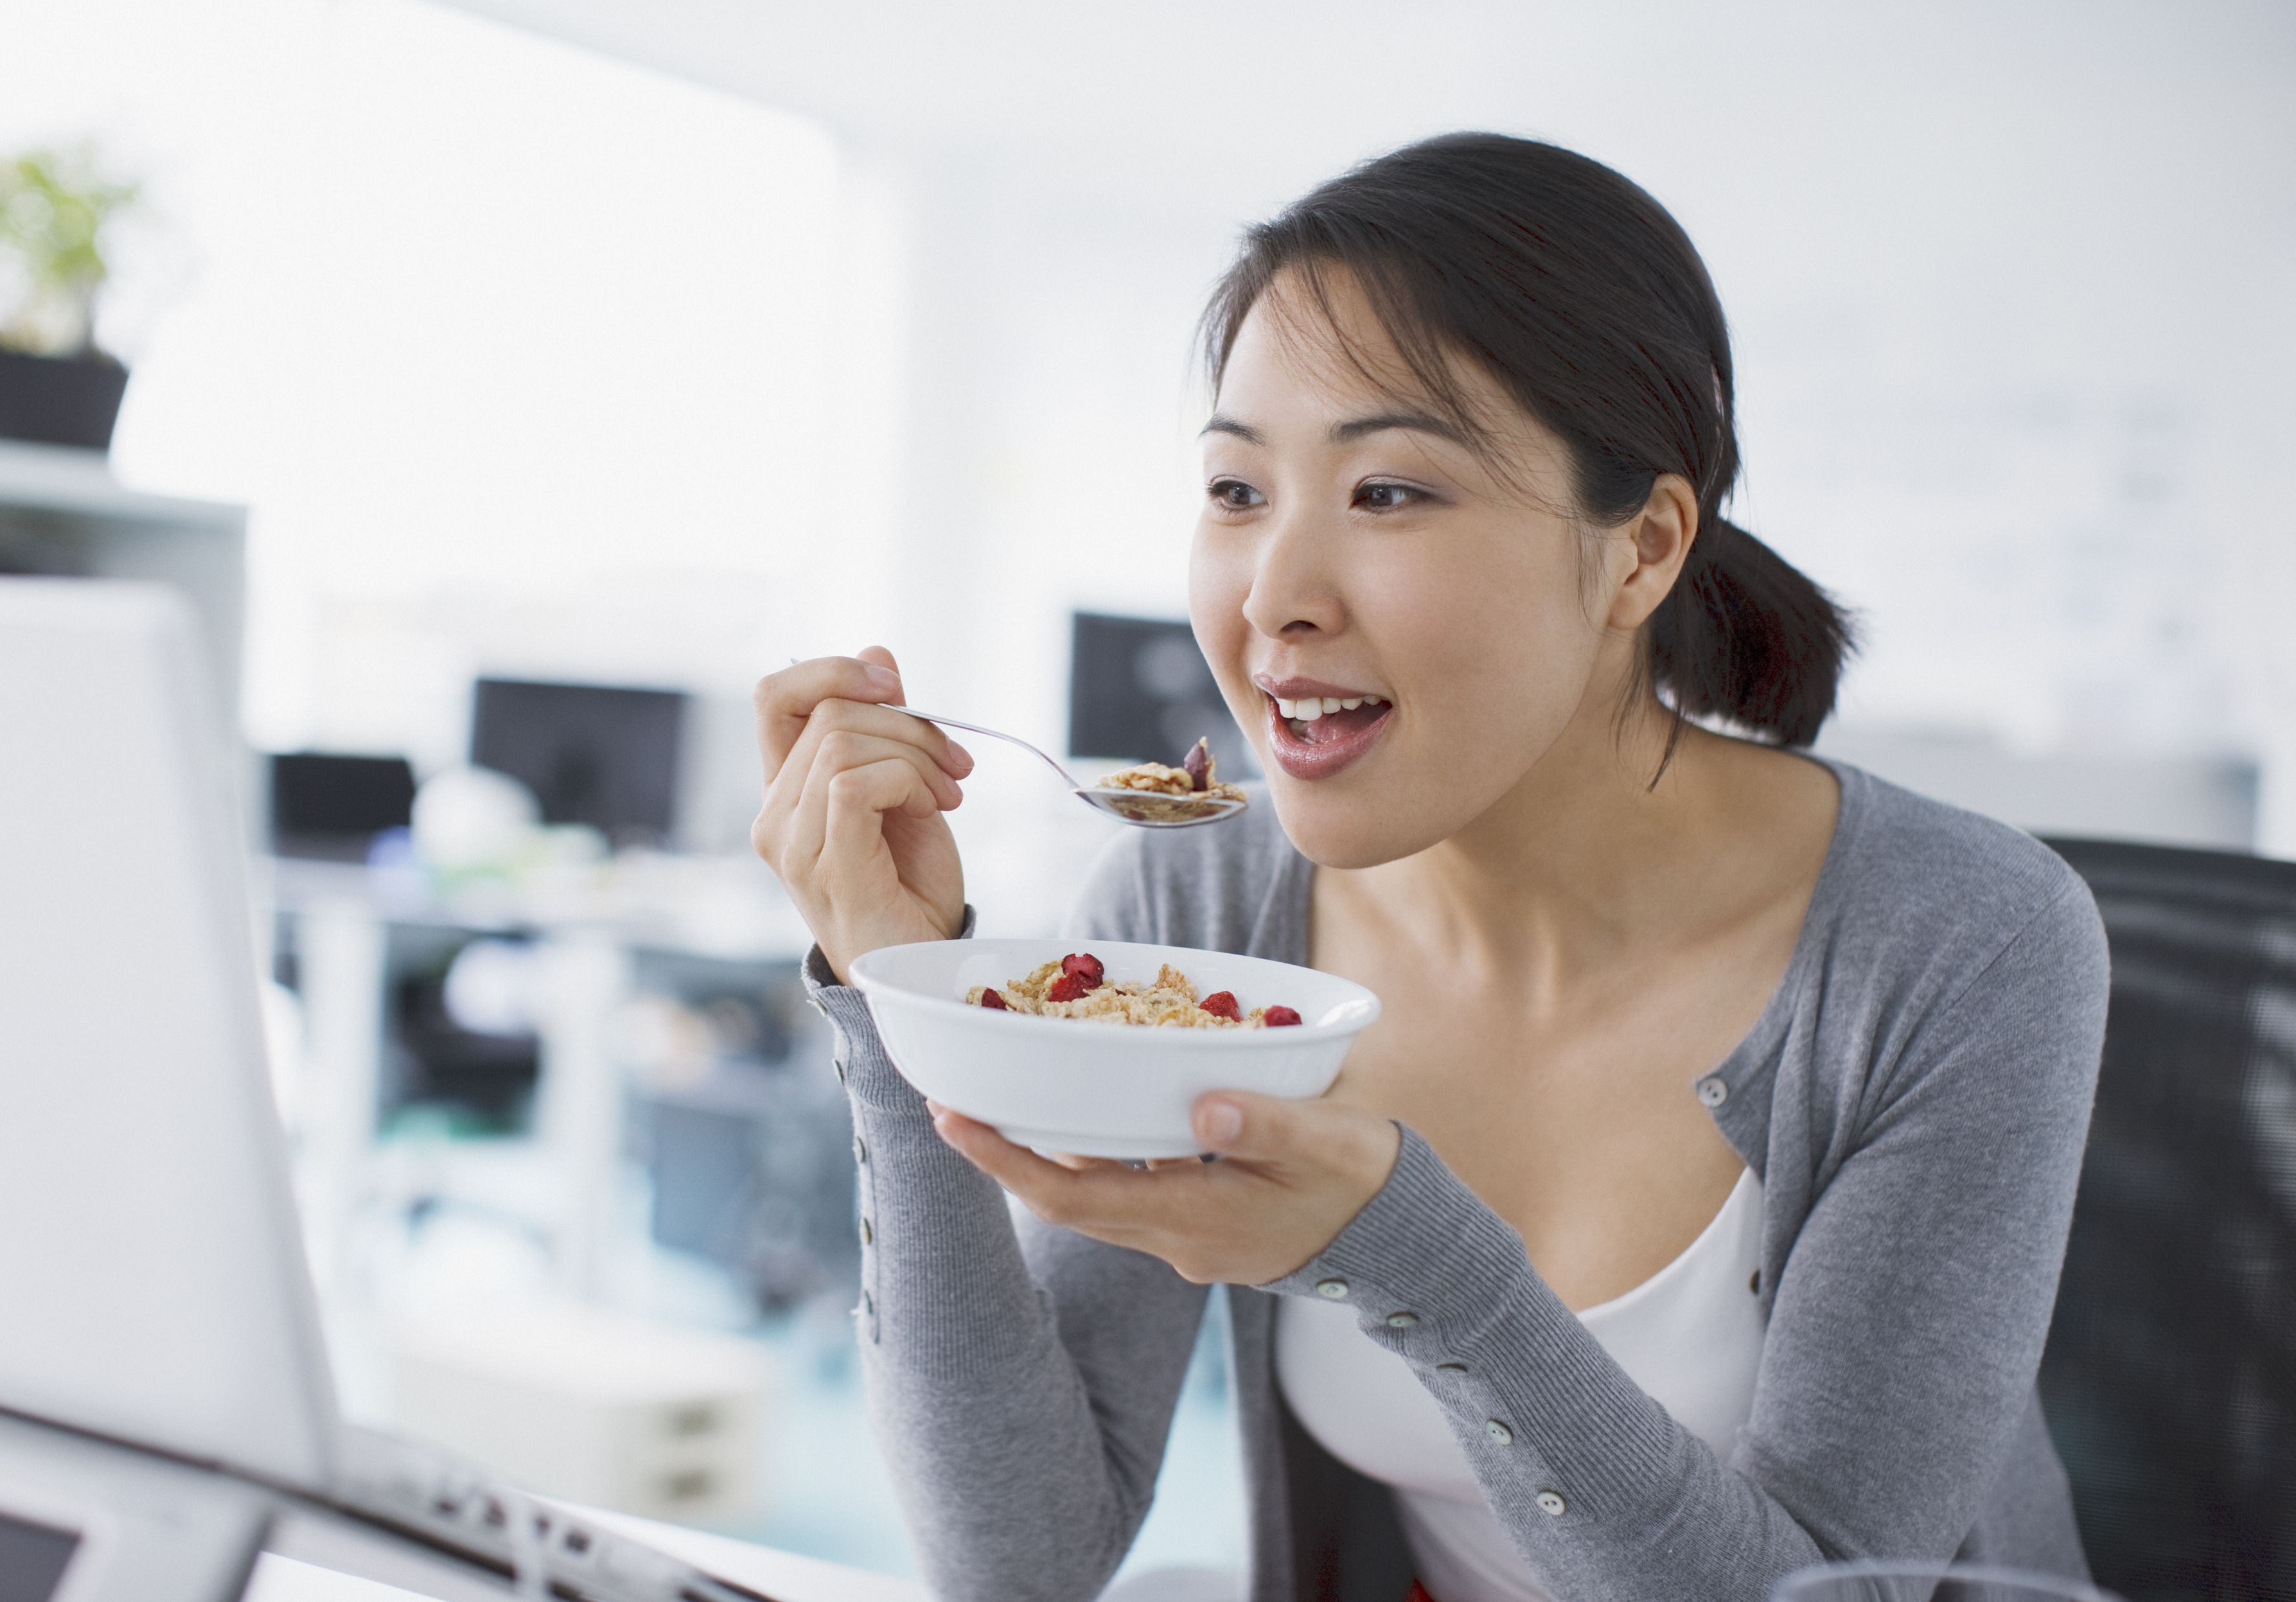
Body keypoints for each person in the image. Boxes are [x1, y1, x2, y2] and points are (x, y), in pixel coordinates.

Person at [752, 133, 2109, 1602]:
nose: (1274, 592)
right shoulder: (1202, 913)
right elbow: (1018, 1559)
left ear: (1642, 549)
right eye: (1233, 490)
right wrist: (905, 994)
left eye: (1388, 491)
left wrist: (1409, 1260)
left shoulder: (1961, 942)